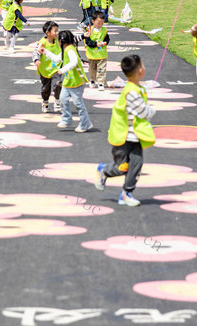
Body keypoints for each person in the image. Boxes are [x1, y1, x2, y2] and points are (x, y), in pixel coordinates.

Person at [95, 53, 156, 207]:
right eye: (142, 65)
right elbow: (143, 112)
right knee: (123, 167)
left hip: (134, 137)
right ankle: (104, 170)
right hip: (123, 137)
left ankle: (126, 193)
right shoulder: (131, 92)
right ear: (140, 71)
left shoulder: (137, 88)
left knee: (136, 164)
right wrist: (151, 109)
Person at [55, 29, 92, 131]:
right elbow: (57, 59)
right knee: (62, 99)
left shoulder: (70, 50)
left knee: (78, 103)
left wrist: (63, 70)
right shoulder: (65, 50)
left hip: (77, 81)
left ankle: (85, 123)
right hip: (68, 81)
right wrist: (44, 52)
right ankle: (66, 119)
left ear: (61, 41)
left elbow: (74, 62)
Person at [32, 20, 63, 113]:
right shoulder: (42, 42)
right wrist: (36, 60)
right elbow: (36, 52)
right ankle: (45, 102)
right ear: (48, 33)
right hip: (45, 70)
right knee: (46, 88)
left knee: (58, 84)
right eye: (55, 31)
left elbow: (70, 39)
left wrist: (83, 36)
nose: (57, 33)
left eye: (57, 30)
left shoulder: (59, 40)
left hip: (56, 68)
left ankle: (57, 101)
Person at [84, 13, 110, 90]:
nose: (100, 25)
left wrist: (105, 43)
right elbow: (88, 42)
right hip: (92, 55)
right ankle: (92, 80)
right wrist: (95, 44)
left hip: (102, 55)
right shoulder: (89, 30)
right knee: (92, 69)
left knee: (102, 69)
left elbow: (107, 39)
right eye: (98, 23)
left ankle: (101, 82)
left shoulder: (104, 30)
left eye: (102, 23)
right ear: (93, 21)